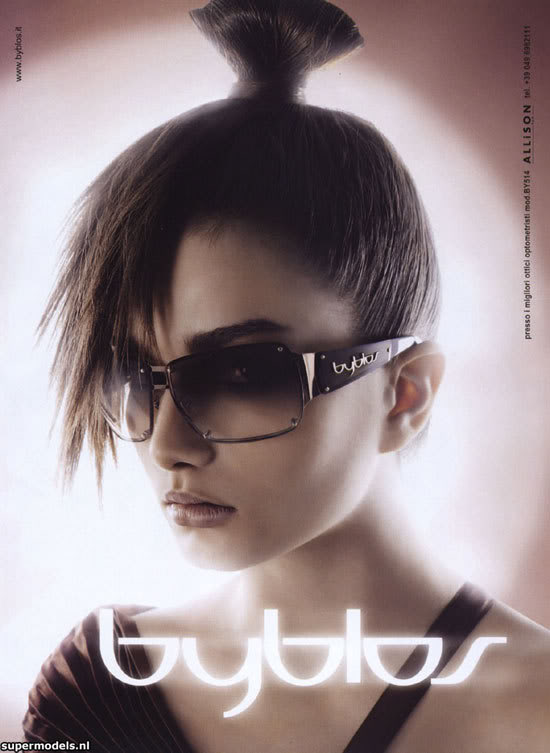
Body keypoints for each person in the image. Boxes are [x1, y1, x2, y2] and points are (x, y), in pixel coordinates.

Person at [23, 0, 550, 750]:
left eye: (242, 371)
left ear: (406, 394)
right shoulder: (96, 692)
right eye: (132, 372)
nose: (168, 445)